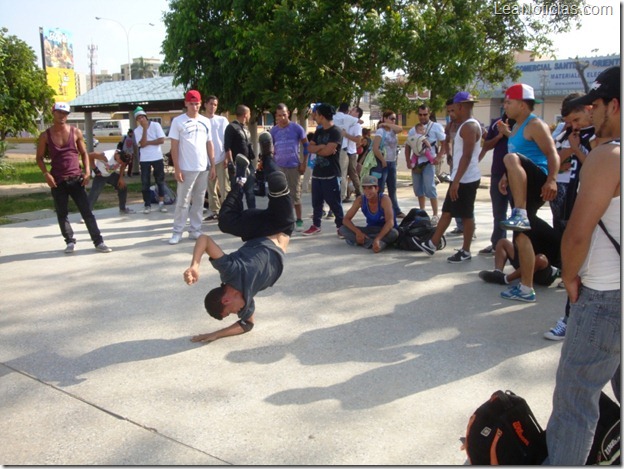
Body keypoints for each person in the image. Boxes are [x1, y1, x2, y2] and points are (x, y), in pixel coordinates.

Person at [545, 66, 620, 465]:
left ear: (615, 105)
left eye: (595, 105)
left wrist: (570, 277)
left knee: (575, 399)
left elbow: (577, 234)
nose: (590, 113)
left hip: (605, 296)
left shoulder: (608, 156)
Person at [184, 132, 294, 344]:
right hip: (281, 225)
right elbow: (247, 325)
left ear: (226, 299)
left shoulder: (230, 271)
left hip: (259, 230)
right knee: (277, 183)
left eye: (229, 313)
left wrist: (195, 265)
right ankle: (268, 156)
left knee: (225, 222)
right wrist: (216, 334)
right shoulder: (247, 300)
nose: (236, 314)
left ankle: (242, 179)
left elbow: (205, 240)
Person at [496, 83, 559, 301]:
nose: (505, 105)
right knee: (521, 234)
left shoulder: (535, 125)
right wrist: (506, 176)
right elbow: (517, 159)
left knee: (510, 158)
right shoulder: (515, 128)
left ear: (522, 105)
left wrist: (551, 180)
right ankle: (526, 288)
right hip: (522, 184)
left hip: (537, 179)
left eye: (508, 101)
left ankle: (520, 214)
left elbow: (552, 154)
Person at [35, 102, 112, 254]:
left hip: (76, 178)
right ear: (53, 112)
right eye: (59, 112)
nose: (62, 116)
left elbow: (84, 153)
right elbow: (38, 158)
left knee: (87, 212)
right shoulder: (45, 135)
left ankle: (98, 241)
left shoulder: (75, 132)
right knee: (62, 213)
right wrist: (46, 174)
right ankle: (69, 241)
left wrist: (88, 171)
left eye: (65, 113)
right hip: (57, 180)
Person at [415, 92, 482, 263]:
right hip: (460, 176)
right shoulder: (464, 125)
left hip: (466, 178)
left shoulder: (469, 126)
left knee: (467, 215)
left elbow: (467, 156)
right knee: (447, 212)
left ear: (460, 107)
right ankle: (432, 243)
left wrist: (456, 181)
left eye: (453, 109)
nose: (451, 113)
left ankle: (465, 251)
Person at [168, 90, 216, 244]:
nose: (194, 107)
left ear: (200, 104)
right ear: (186, 104)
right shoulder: (178, 121)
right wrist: (177, 168)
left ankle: (195, 230)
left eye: (197, 104)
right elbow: (174, 146)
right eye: (191, 104)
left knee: (199, 201)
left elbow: (209, 144)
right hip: (186, 168)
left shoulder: (205, 121)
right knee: (183, 201)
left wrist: (213, 165)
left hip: (203, 168)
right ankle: (177, 231)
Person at [478, 216, 560, 296]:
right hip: (524, 260)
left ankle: (506, 279)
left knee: (540, 258)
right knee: (503, 242)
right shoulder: (521, 226)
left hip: (542, 271)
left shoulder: (543, 229)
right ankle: (497, 272)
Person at [301, 103, 344, 237]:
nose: (314, 116)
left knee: (334, 202)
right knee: (316, 202)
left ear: (322, 116)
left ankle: (341, 227)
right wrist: (322, 146)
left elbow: (328, 152)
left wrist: (320, 148)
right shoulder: (319, 131)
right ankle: (316, 225)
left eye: (316, 114)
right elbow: (309, 148)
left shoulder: (336, 131)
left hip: (331, 173)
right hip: (317, 173)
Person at [477, 113, 515, 254]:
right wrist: (499, 136)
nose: (507, 106)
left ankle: (518, 247)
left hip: (516, 174)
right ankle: (497, 245)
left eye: (510, 102)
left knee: (518, 213)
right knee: (498, 212)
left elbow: (524, 144)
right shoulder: (496, 123)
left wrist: (508, 133)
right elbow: (486, 145)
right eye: (505, 102)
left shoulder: (525, 123)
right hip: (498, 173)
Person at [270, 103, 309, 232]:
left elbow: (306, 146)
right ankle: (284, 220)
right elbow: (271, 149)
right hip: (279, 167)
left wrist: (304, 163)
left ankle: (298, 220)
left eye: (284, 115)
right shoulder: (273, 131)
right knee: (280, 195)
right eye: (279, 115)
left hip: (293, 167)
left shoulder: (297, 128)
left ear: (288, 114)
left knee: (295, 195)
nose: (282, 118)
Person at [405, 107, 446, 225]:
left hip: (428, 162)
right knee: (418, 189)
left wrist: (439, 157)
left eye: (425, 114)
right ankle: (422, 212)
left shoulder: (436, 127)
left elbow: (444, 143)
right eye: (420, 114)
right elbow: (408, 145)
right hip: (417, 162)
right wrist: (408, 160)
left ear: (429, 114)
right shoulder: (414, 130)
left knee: (430, 187)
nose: (422, 117)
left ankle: (435, 214)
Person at [339, 175, 398, 252]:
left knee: (394, 233)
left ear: (376, 189)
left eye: (370, 188)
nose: (367, 191)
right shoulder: (361, 200)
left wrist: (378, 238)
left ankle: (370, 242)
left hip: (386, 231)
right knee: (343, 229)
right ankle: (376, 244)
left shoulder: (384, 200)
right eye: (364, 188)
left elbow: (390, 223)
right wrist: (358, 232)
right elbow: (346, 220)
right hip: (370, 229)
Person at [132, 106, 168, 214]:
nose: (141, 120)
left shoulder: (156, 125)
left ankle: (161, 202)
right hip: (145, 159)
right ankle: (147, 204)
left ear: (146, 117)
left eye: (142, 117)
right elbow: (142, 144)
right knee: (145, 182)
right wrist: (144, 130)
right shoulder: (137, 130)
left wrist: (148, 142)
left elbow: (161, 140)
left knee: (160, 181)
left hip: (157, 157)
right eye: (138, 118)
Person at [370, 110, 404, 217]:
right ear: (384, 118)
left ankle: (396, 210)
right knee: (380, 187)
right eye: (391, 118)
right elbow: (375, 148)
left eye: (394, 119)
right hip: (382, 163)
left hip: (392, 162)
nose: (393, 120)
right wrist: (383, 160)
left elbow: (400, 129)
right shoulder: (380, 132)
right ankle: (379, 209)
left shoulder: (393, 131)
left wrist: (388, 124)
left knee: (392, 188)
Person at [203, 95, 230, 221]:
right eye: (211, 104)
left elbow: (226, 139)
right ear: (205, 104)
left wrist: (226, 156)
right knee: (211, 187)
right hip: (206, 160)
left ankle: (227, 210)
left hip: (220, 157)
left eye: (215, 104)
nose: (213, 107)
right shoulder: (201, 120)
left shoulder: (222, 120)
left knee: (225, 187)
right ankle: (215, 211)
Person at [224, 105, 255, 209]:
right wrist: (230, 164)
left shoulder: (245, 128)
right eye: (249, 113)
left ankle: (252, 214)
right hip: (238, 166)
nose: (250, 116)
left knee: (250, 192)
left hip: (248, 164)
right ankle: (239, 216)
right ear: (246, 115)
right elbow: (227, 147)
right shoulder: (231, 127)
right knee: (238, 192)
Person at [87, 149, 135, 214]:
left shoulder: (123, 157)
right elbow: (90, 155)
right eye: (120, 162)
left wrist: (121, 178)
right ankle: (87, 214)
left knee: (123, 187)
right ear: (117, 156)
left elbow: (123, 165)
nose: (120, 164)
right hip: (100, 175)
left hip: (110, 174)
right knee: (94, 193)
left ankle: (122, 209)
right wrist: (95, 169)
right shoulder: (105, 156)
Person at [340, 106, 364, 203]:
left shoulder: (357, 126)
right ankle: (345, 194)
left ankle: (359, 193)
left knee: (353, 174)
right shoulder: (347, 122)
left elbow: (358, 140)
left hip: (351, 152)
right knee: (343, 174)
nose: (350, 111)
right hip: (344, 151)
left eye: (353, 110)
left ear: (357, 114)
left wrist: (346, 135)